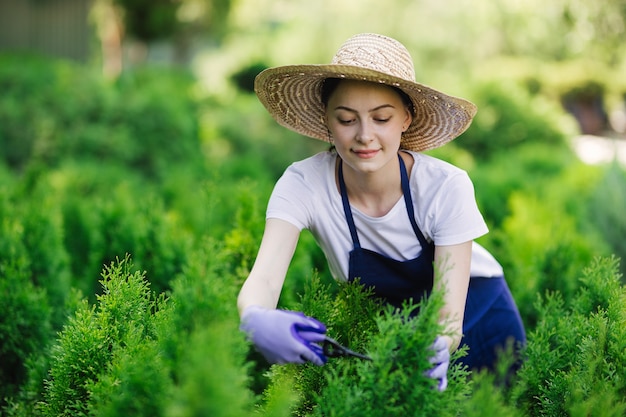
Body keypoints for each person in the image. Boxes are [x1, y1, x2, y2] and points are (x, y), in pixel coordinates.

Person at [237, 33, 526, 390]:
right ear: (326, 120)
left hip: (477, 309)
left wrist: (437, 344)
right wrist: (253, 317)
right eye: (346, 120)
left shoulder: (445, 186)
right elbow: (264, 279)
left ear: (406, 118)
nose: (364, 136)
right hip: (391, 323)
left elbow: (449, 318)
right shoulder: (303, 184)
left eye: (382, 118)